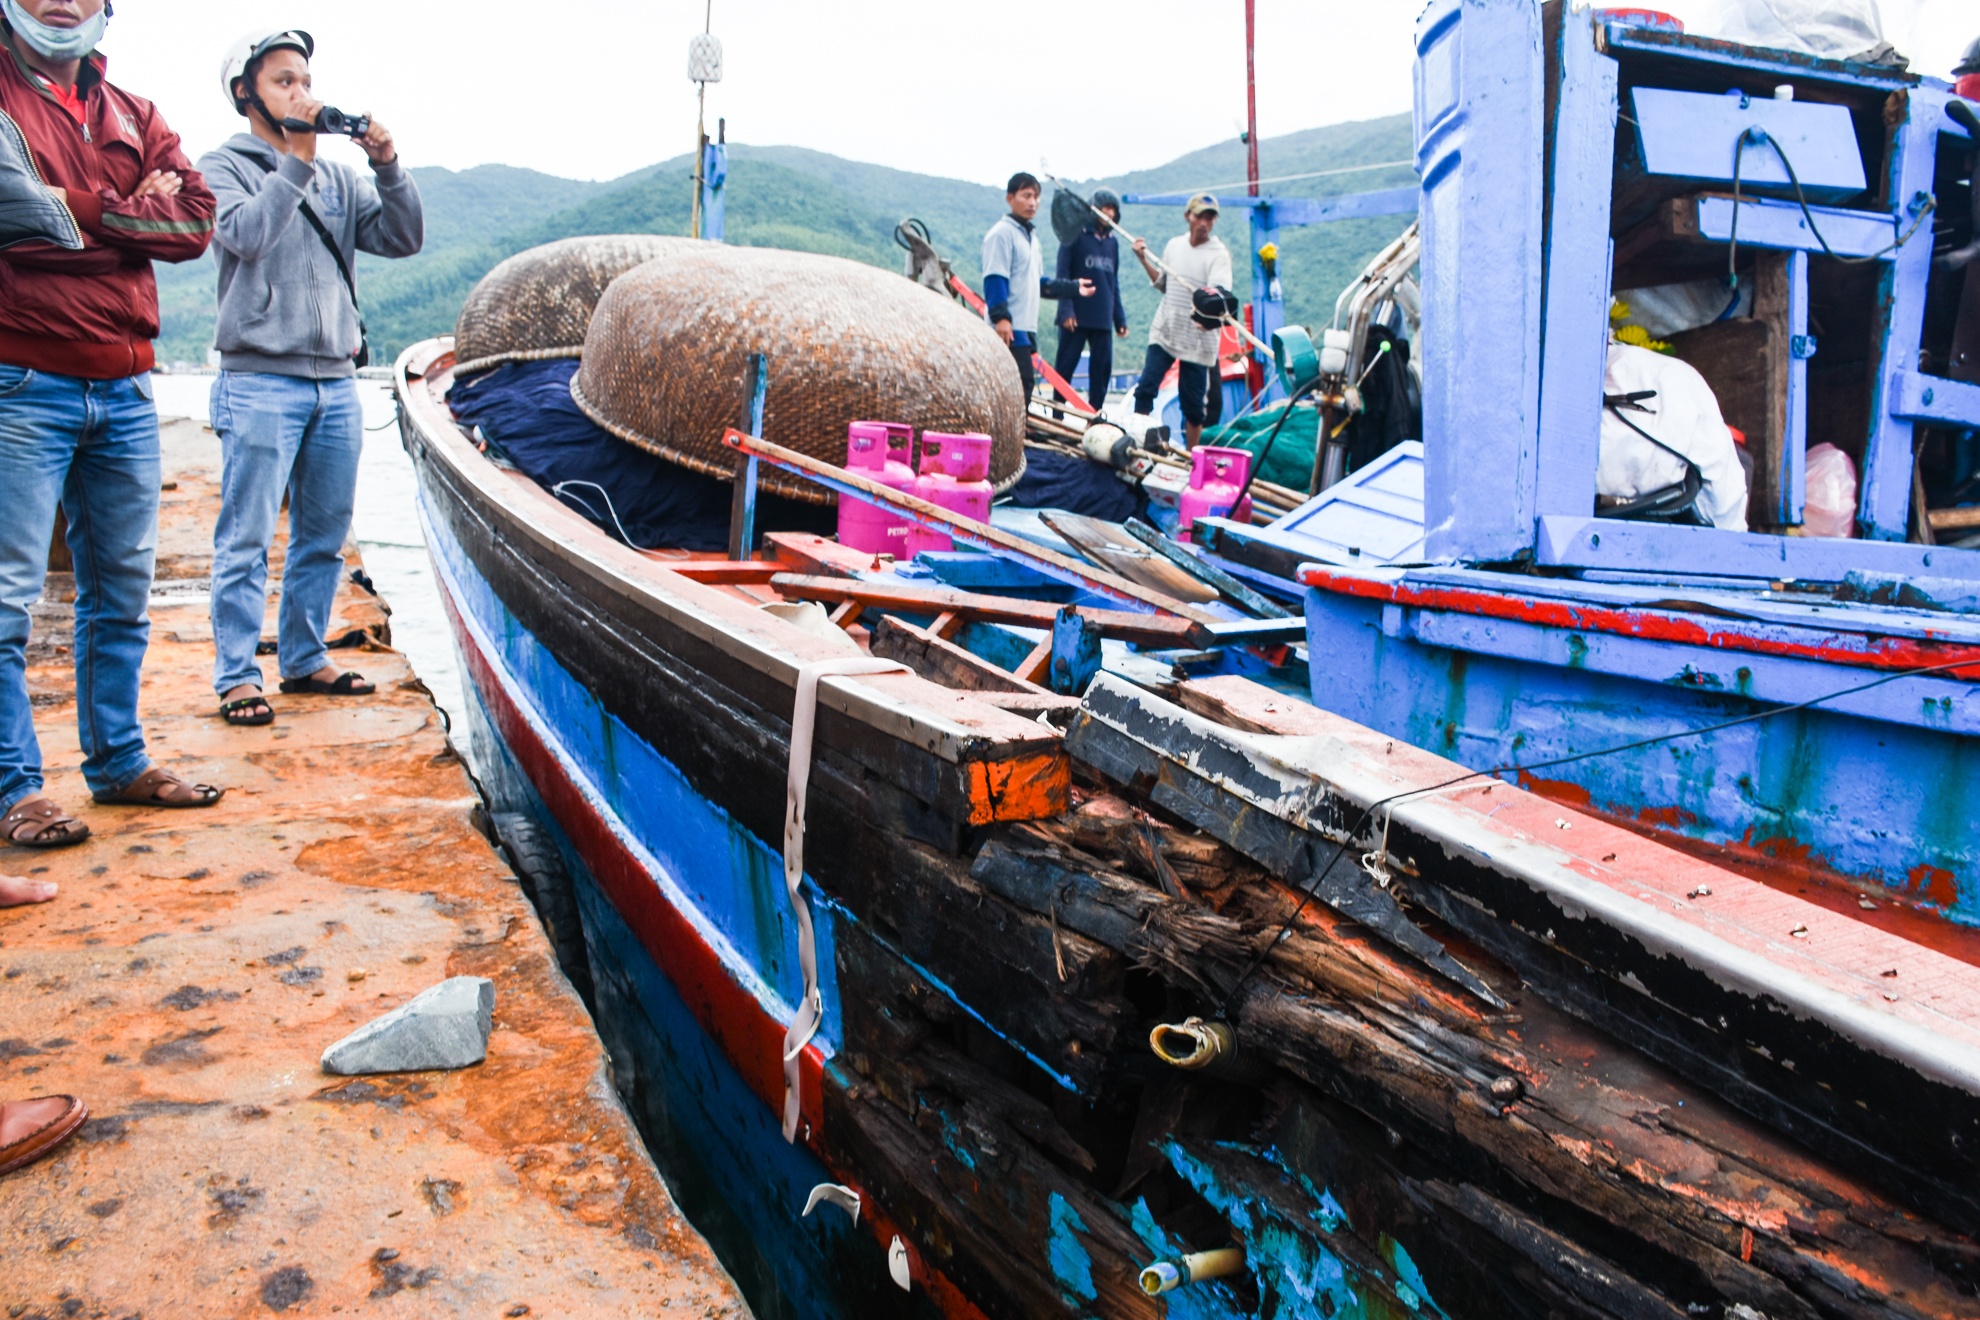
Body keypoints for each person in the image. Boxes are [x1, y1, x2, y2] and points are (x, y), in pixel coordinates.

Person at [1, 0, 224, 852]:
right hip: (21, 378)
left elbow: (196, 222)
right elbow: (9, 222)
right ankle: (16, 791)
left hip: (126, 388)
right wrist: (130, 214)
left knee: (121, 593)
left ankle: (118, 764)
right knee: (5, 601)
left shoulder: (133, 109)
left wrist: (68, 207)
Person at [201, 30, 423, 727]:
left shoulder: (337, 177)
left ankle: (302, 658)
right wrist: (294, 162)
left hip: (335, 382)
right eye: (282, 83)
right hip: (259, 379)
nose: (301, 93)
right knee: (246, 535)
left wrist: (386, 165)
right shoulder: (221, 166)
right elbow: (247, 236)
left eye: (304, 80)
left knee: (324, 533)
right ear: (247, 93)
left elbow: (403, 237)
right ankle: (237, 675)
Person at [1129, 193, 1234, 449]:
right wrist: (1143, 259)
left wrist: (1207, 319)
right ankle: (1137, 445)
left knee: (1194, 407)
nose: (1204, 223)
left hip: (1199, 342)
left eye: (1209, 218)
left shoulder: (1218, 255)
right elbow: (1165, 284)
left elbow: (1219, 297)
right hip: (1167, 330)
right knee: (1145, 390)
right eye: (1199, 216)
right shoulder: (1174, 245)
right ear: (1188, 216)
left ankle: (1190, 462)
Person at [981, 171, 1092, 404]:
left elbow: (1038, 284)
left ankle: (1016, 439)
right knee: (1017, 388)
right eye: (1026, 195)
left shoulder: (1031, 238)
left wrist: (1072, 288)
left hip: (1026, 327)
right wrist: (1001, 318)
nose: (1033, 202)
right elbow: (995, 278)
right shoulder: (1002, 234)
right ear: (1010, 198)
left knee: (1023, 390)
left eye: (1036, 197)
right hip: (1010, 329)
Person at [1051, 187, 1129, 413]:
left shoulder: (1112, 243)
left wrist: (1119, 319)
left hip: (1102, 315)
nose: (1110, 214)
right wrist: (1065, 310)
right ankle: (1058, 414)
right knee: (1065, 367)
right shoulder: (1074, 234)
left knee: (1102, 370)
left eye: (1113, 209)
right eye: (1105, 208)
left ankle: (1093, 416)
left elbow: (1113, 282)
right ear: (1094, 208)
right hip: (1076, 314)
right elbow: (1062, 273)